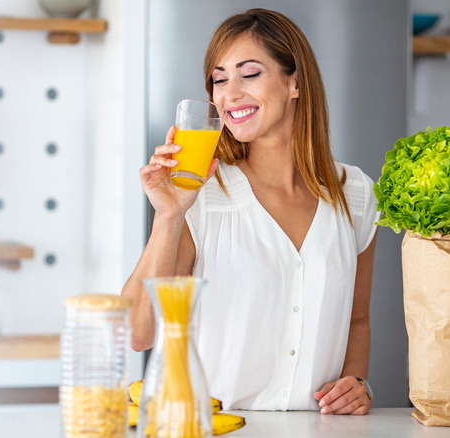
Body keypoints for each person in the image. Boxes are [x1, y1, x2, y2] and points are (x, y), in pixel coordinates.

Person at [121, 8, 378, 415]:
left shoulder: (356, 194)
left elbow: (357, 321)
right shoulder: (201, 195)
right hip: (213, 426)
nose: (229, 93)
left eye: (250, 73)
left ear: (295, 82)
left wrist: (357, 383)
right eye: (219, 79)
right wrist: (168, 217)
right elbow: (137, 332)